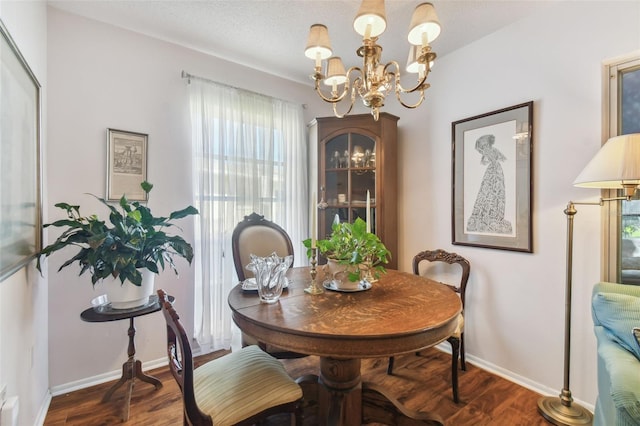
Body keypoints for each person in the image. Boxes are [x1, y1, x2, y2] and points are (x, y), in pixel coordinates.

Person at [466, 134, 512, 234]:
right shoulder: (493, 150)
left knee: (493, 189)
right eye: (484, 145)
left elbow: (485, 161)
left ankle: (492, 215)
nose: (484, 147)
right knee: (489, 190)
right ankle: (489, 214)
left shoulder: (490, 151)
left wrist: (488, 158)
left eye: (485, 145)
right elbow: (502, 158)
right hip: (495, 169)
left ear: (488, 143)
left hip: (494, 170)